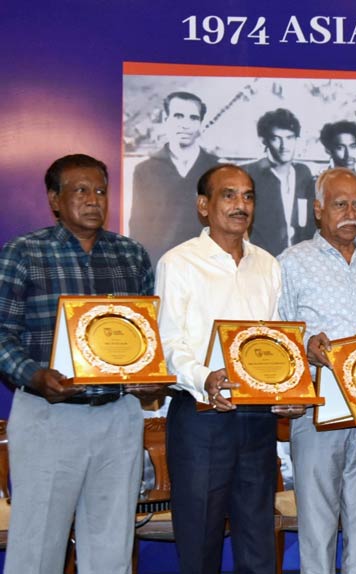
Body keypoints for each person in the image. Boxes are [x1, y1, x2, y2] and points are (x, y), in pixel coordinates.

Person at [0, 154, 155, 572]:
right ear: (54, 199)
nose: (93, 201)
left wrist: (151, 378)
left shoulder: (131, 256)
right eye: (80, 191)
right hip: (49, 416)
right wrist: (33, 375)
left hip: (118, 416)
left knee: (111, 546)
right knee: (37, 549)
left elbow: (149, 336)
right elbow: (1, 333)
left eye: (101, 191)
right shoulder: (23, 254)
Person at [156, 164, 305, 573]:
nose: (241, 205)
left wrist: (288, 390)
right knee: (200, 537)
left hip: (257, 419)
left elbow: (275, 343)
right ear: (203, 206)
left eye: (248, 196)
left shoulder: (267, 265)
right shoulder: (179, 263)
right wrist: (205, 376)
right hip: (203, 416)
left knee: (258, 536)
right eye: (229, 195)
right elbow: (168, 343)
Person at [278, 167, 356, 573]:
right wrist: (305, 347)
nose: (350, 213)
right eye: (340, 203)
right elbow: (276, 335)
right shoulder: (290, 263)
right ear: (318, 209)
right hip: (317, 410)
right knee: (317, 526)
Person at [130, 91, 220, 263]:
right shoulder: (145, 170)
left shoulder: (217, 170)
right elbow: (138, 228)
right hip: (161, 266)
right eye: (178, 116)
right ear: (166, 119)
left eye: (193, 118)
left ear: (200, 123)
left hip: (206, 268)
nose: (185, 125)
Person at [243, 108, 316, 256]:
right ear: (265, 140)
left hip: (298, 262)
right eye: (276, 138)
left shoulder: (304, 173)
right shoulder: (250, 174)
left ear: (296, 139)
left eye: (289, 138)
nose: (284, 146)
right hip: (262, 262)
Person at [319, 120, 356, 238]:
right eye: (340, 147)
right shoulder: (317, 184)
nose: (348, 154)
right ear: (329, 150)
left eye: (352, 146)